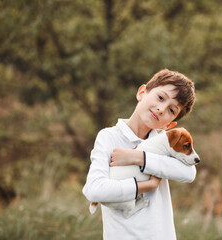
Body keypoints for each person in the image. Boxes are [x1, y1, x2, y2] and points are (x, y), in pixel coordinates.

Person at [82, 69, 197, 240]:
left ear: (170, 125)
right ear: (142, 92)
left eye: (171, 110)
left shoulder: (165, 144)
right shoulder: (109, 137)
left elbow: (189, 173)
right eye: (160, 98)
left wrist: (139, 158)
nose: (161, 109)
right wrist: (145, 186)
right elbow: (94, 190)